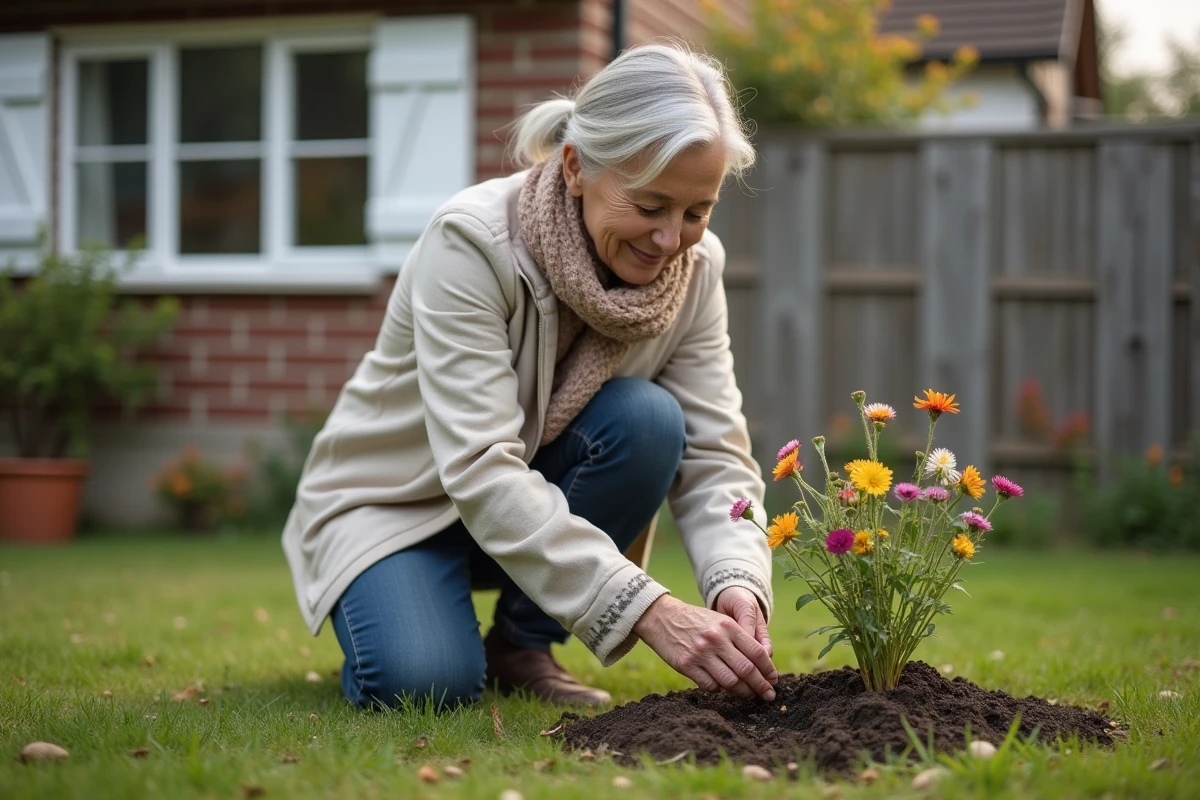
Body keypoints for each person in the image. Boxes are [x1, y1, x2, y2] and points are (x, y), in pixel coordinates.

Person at [282, 41, 776, 711]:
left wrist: (737, 582)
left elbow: (716, 454)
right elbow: (482, 468)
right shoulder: (472, 244)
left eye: (697, 211)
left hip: (519, 510)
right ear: (575, 167)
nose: (670, 241)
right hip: (393, 507)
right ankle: (407, 606)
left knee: (652, 421)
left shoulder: (695, 272)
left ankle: (520, 644)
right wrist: (649, 610)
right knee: (424, 684)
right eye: (651, 205)